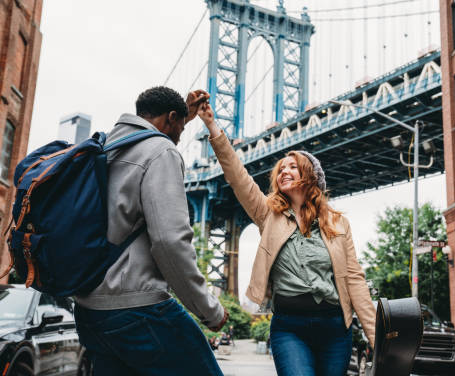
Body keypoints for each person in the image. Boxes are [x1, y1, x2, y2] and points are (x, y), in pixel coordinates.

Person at [198, 94, 376, 376]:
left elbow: (354, 280)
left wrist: (377, 338)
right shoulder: (267, 214)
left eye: (293, 166)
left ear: (311, 177)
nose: (284, 171)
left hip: (335, 329)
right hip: (290, 326)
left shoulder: (338, 223)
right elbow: (237, 175)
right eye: (281, 168)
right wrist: (212, 127)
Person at [73, 87, 228, 376]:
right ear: (171, 118)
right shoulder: (161, 150)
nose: (179, 138)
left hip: (89, 312)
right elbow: (170, 242)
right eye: (180, 129)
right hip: (138, 309)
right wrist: (210, 310)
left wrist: (186, 115)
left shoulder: (106, 146)